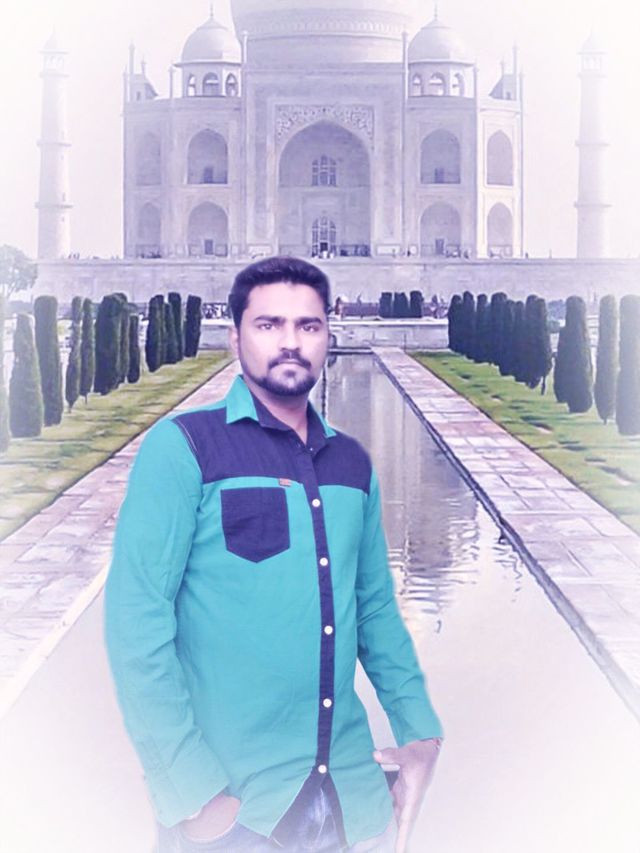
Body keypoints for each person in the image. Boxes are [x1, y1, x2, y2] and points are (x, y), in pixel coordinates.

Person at [104, 256, 443, 853]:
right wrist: (193, 795)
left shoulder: (352, 464)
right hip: (236, 812)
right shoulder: (185, 448)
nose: (291, 342)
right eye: (269, 325)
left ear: (328, 335)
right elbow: (137, 622)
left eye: (308, 326)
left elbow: (374, 611)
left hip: (351, 802)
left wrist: (419, 733)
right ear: (235, 337)